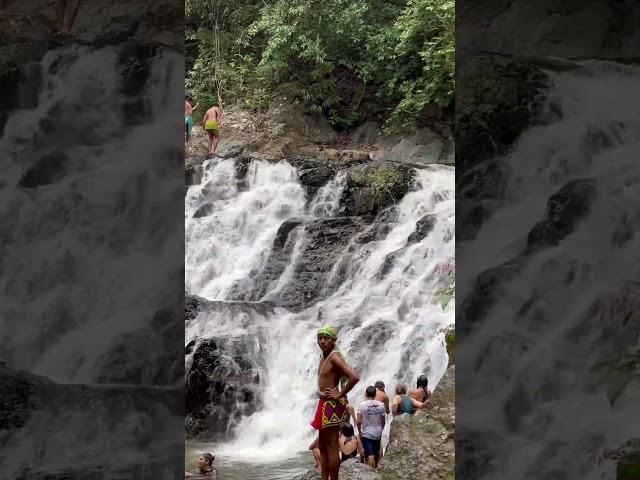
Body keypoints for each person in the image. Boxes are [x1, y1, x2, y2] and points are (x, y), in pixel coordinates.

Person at [311, 325, 360, 480]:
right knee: (323, 447)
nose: (322, 341)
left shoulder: (334, 357)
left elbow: (354, 377)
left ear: (334, 341)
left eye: (326, 338)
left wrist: (339, 394)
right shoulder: (324, 356)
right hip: (324, 403)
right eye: (320, 338)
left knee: (332, 447)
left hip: (332, 405)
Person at [357, 386, 386, 469]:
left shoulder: (361, 405)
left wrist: (360, 432)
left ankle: (370, 475)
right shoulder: (380, 405)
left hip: (367, 434)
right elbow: (383, 420)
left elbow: (358, 421)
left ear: (366, 394)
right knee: (377, 453)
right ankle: (377, 471)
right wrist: (380, 429)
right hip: (378, 433)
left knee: (370, 456)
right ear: (375, 394)